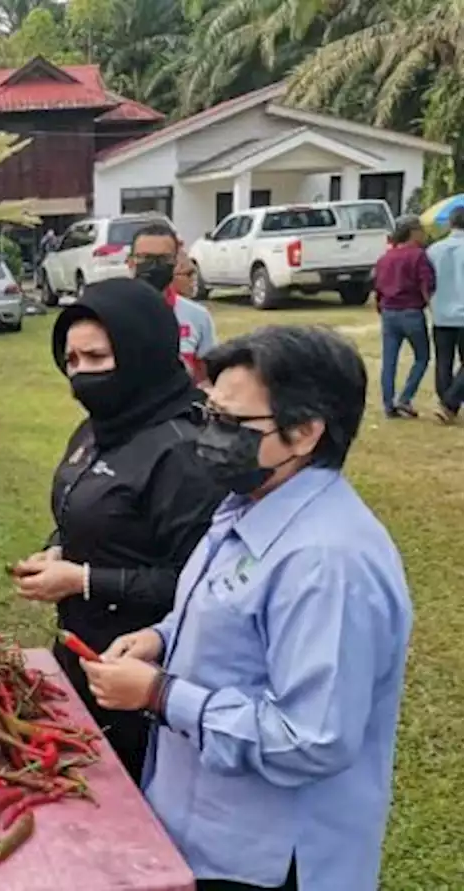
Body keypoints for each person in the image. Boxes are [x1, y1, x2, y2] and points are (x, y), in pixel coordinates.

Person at [84, 325, 412, 891]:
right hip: (206, 826)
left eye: (233, 424)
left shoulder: (326, 563)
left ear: (305, 432)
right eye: (208, 413)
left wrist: (161, 694)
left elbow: (312, 739)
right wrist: (163, 637)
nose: (208, 436)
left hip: (267, 860)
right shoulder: (247, 503)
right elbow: (233, 614)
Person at [9, 278, 224, 783]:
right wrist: (56, 549)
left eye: (97, 358)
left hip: (143, 673)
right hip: (83, 652)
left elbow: (194, 585)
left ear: (141, 352)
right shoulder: (99, 427)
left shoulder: (183, 452)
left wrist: (83, 580)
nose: (81, 375)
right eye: (72, 361)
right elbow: (81, 511)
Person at [373, 215, 434, 419]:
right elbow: (426, 283)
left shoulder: (384, 259)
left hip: (389, 311)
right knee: (422, 356)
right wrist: (430, 306)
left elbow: (378, 287)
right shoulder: (418, 255)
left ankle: (388, 403)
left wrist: (381, 307)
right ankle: (405, 398)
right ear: (413, 232)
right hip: (411, 311)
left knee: (389, 359)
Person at [427, 207, 465, 407]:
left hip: (441, 311)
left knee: (443, 360)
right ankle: (450, 402)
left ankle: (446, 400)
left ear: (451, 223)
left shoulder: (434, 250)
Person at [167, 248, 219, 385]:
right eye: (188, 274)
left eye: (195, 273)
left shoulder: (199, 315)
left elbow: (207, 369)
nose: (194, 279)